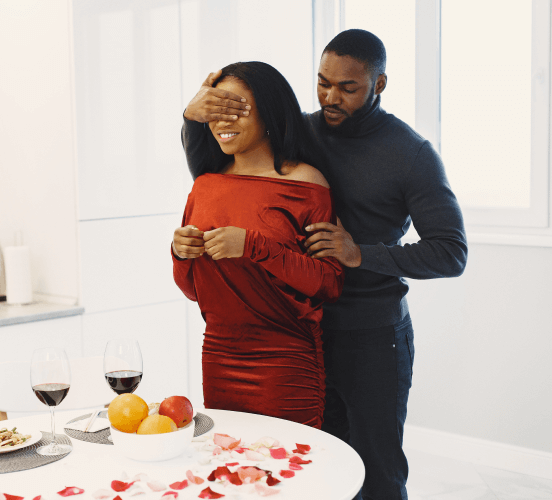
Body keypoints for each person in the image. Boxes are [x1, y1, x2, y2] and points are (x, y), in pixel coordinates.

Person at [180, 30, 467, 500]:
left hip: (370, 336)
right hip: (299, 334)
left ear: (379, 84)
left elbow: (450, 252)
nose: (331, 97)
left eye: (347, 88)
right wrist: (194, 118)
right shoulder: (301, 131)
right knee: (314, 467)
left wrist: (359, 254)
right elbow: (218, 178)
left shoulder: (411, 153)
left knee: (376, 470)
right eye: (322, 83)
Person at [171, 61, 344, 429]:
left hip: (285, 360)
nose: (223, 121)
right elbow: (191, 290)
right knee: (232, 471)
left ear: (269, 112)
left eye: (236, 109)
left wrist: (253, 246)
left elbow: (329, 283)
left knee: (291, 476)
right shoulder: (205, 184)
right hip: (218, 355)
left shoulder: (306, 184)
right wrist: (180, 253)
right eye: (216, 111)